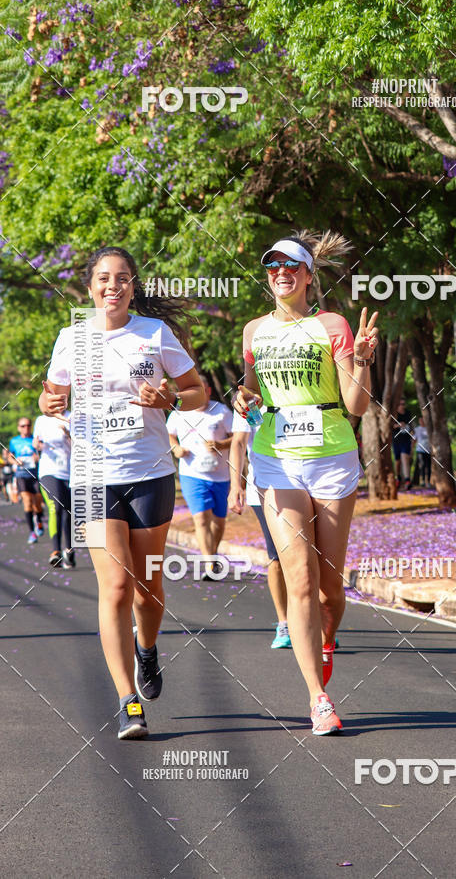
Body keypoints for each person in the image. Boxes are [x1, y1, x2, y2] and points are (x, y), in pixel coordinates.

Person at [39, 245, 205, 740]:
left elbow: (198, 391)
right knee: (114, 587)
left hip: (150, 473)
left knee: (147, 589)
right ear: (90, 287)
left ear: (133, 286)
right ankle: (128, 699)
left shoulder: (153, 334)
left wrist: (170, 397)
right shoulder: (72, 338)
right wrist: (51, 402)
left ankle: (147, 649)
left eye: (123, 278)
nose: (113, 285)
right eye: (104, 278)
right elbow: (53, 396)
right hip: (92, 473)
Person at [233, 230, 379, 736]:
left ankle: (326, 638)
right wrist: (242, 400)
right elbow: (251, 391)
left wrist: (360, 359)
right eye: (272, 267)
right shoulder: (254, 332)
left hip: (332, 458)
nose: (280, 274)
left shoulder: (332, 324)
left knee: (329, 588)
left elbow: (357, 406)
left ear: (309, 275)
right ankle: (318, 699)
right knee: (300, 580)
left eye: (290, 266)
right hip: (275, 460)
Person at [228, 405, 290, 648]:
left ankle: (314, 621)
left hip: (307, 485)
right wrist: (236, 485)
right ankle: (284, 622)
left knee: (309, 557)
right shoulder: (248, 400)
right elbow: (239, 443)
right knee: (277, 556)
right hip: (264, 488)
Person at [167, 375, 232, 580]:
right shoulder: (179, 413)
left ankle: (212, 552)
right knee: (201, 518)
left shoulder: (221, 412)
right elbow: (169, 434)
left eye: (202, 391)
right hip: (191, 474)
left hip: (220, 476)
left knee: (219, 522)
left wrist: (221, 445)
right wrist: (176, 447)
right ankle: (210, 564)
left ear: (209, 391)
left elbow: (238, 437)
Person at [33, 411, 74, 568]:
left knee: (68, 511)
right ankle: (55, 551)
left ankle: (69, 550)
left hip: (70, 471)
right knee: (55, 507)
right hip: (49, 471)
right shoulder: (41, 420)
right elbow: (36, 444)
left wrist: (67, 433)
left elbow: (82, 444)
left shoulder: (71, 416)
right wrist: (37, 445)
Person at [8, 417, 44, 544]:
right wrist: (15, 461)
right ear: (19, 427)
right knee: (27, 502)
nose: (26, 428)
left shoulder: (35, 439)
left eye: (28, 425)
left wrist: (37, 457)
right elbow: (9, 456)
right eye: (23, 426)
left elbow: (44, 454)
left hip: (35, 475)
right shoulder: (14, 441)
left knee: (38, 504)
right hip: (21, 475)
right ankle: (32, 532)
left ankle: (39, 520)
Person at [392, 397, 413, 489]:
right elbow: (389, 425)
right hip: (396, 440)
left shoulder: (408, 413)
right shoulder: (394, 414)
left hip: (406, 439)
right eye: (400, 404)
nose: (402, 406)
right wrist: (398, 425)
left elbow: (412, 426)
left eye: (404, 404)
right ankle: (398, 478)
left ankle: (408, 480)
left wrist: (411, 432)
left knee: (405, 458)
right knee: (398, 461)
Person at [413, 416, 431, 486]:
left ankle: (428, 481)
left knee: (428, 466)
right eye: (420, 420)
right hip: (420, 450)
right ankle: (423, 481)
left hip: (428, 450)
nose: (422, 422)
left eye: (423, 420)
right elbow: (414, 439)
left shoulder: (429, 429)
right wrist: (412, 449)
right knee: (422, 465)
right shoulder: (417, 429)